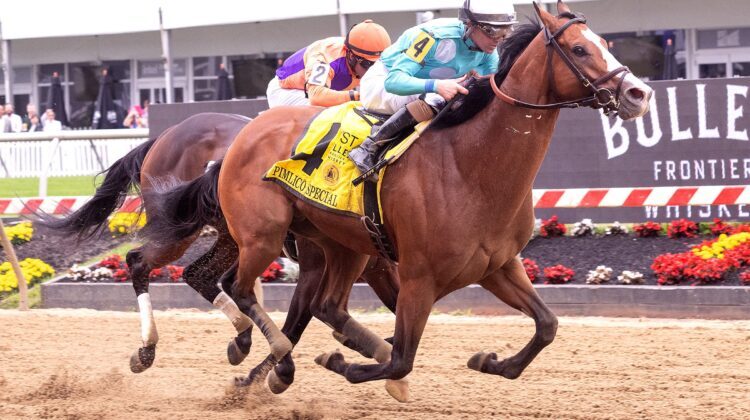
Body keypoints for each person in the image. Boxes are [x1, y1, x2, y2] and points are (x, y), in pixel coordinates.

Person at [349, 0, 516, 176]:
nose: (498, 40)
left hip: (419, 90)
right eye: (493, 31)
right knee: (438, 98)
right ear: (470, 24)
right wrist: (436, 85)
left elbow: (495, 89)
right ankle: (368, 148)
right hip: (381, 84)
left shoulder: (486, 50)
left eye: (506, 31)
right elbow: (393, 81)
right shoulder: (432, 36)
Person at [266, 19, 391, 108]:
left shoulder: (366, 57)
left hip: (322, 92)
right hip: (288, 91)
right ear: (351, 55)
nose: (374, 70)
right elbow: (317, 97)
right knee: (330, 112)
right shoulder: (324, 57)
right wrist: (359, 96)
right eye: (368, 64)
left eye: (379, 63)